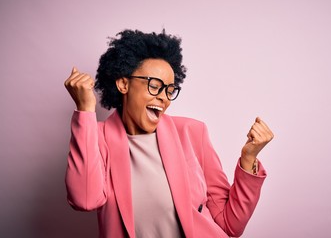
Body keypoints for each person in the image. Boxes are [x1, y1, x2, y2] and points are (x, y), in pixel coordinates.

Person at [64, 29, 274, 238]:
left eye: (169, 90)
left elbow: (230, 225)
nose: (163, 97)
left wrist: (248, 159)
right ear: (123, 84)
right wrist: (85, 109)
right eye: (154, 86)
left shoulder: (192, 133)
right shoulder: (97, 138)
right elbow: (85, 200)